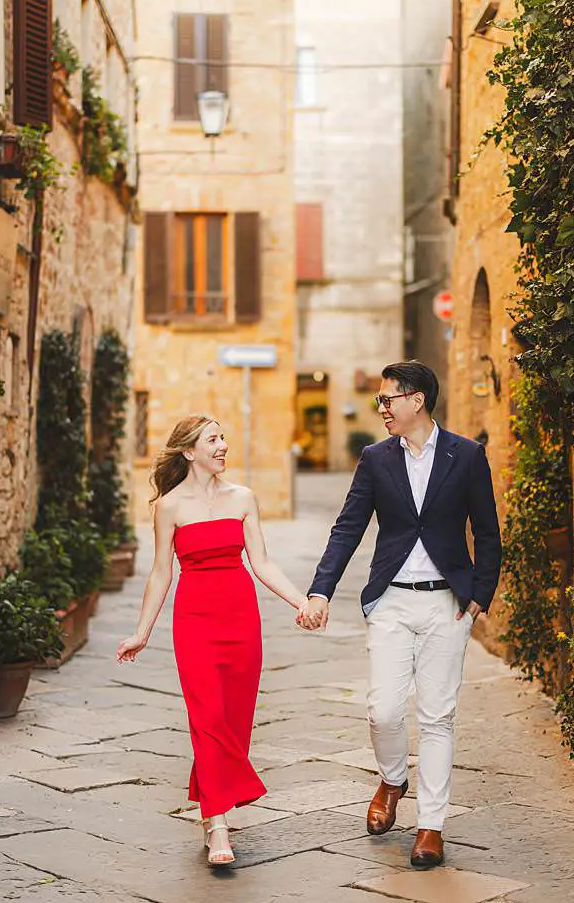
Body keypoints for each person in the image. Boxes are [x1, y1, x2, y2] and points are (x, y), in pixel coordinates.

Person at [299, 360, 501, 869]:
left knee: (438, 716)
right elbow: (348, 528)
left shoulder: (467, 455)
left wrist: (480, 593)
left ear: (417, 400)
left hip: (446, 604)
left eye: (388, 399)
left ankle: (431, 826)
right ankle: (392, 778)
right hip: (390, 599)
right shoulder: (375, 458)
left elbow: (488, 531)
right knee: (383, 710)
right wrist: (321, 591)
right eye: (381, 401)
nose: (381, 408)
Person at [117, 415, 313, 866]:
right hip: (195, 621)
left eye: (222, 437)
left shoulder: (243, 498)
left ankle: (212, 808)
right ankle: (217, 822)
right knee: (206, 717)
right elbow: (161, 573)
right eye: (213, 439)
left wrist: (301, 602)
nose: (223, 446)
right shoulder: (167, 507)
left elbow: (262, 563)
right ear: (189, 452)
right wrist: (142, 632)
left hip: (241, 618)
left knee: (234, 720)